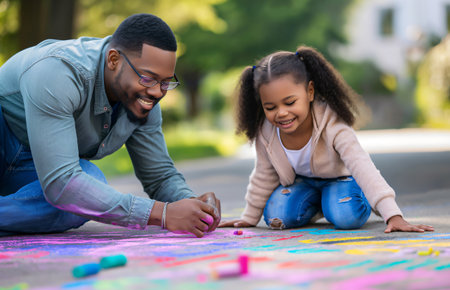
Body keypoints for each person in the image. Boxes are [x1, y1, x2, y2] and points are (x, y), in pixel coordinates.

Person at [0, 13, 221, 237]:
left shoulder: (144, 100)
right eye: (147, 78)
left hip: (33, 170)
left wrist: (194, 206)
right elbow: (61, 184)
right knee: (71, 192)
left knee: (85, 194)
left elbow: (159, 176)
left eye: (166, 82)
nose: (156, 92)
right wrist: (161, 213)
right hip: (5, 139)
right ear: (113, 60)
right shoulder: (59, 72)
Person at [219, 46, 433, 233]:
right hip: (305, 184)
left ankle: (360, 198)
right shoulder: (266, 132)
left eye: (290, 102)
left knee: (345, 217)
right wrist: (249, 216)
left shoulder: (332, 123)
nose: (281, 113)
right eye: (271, 107)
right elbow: (264, 174)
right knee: (278, 217)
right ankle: (322, 204)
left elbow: (361, 165)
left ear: (309, 92)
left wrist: (392, 214)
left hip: (342, 180)